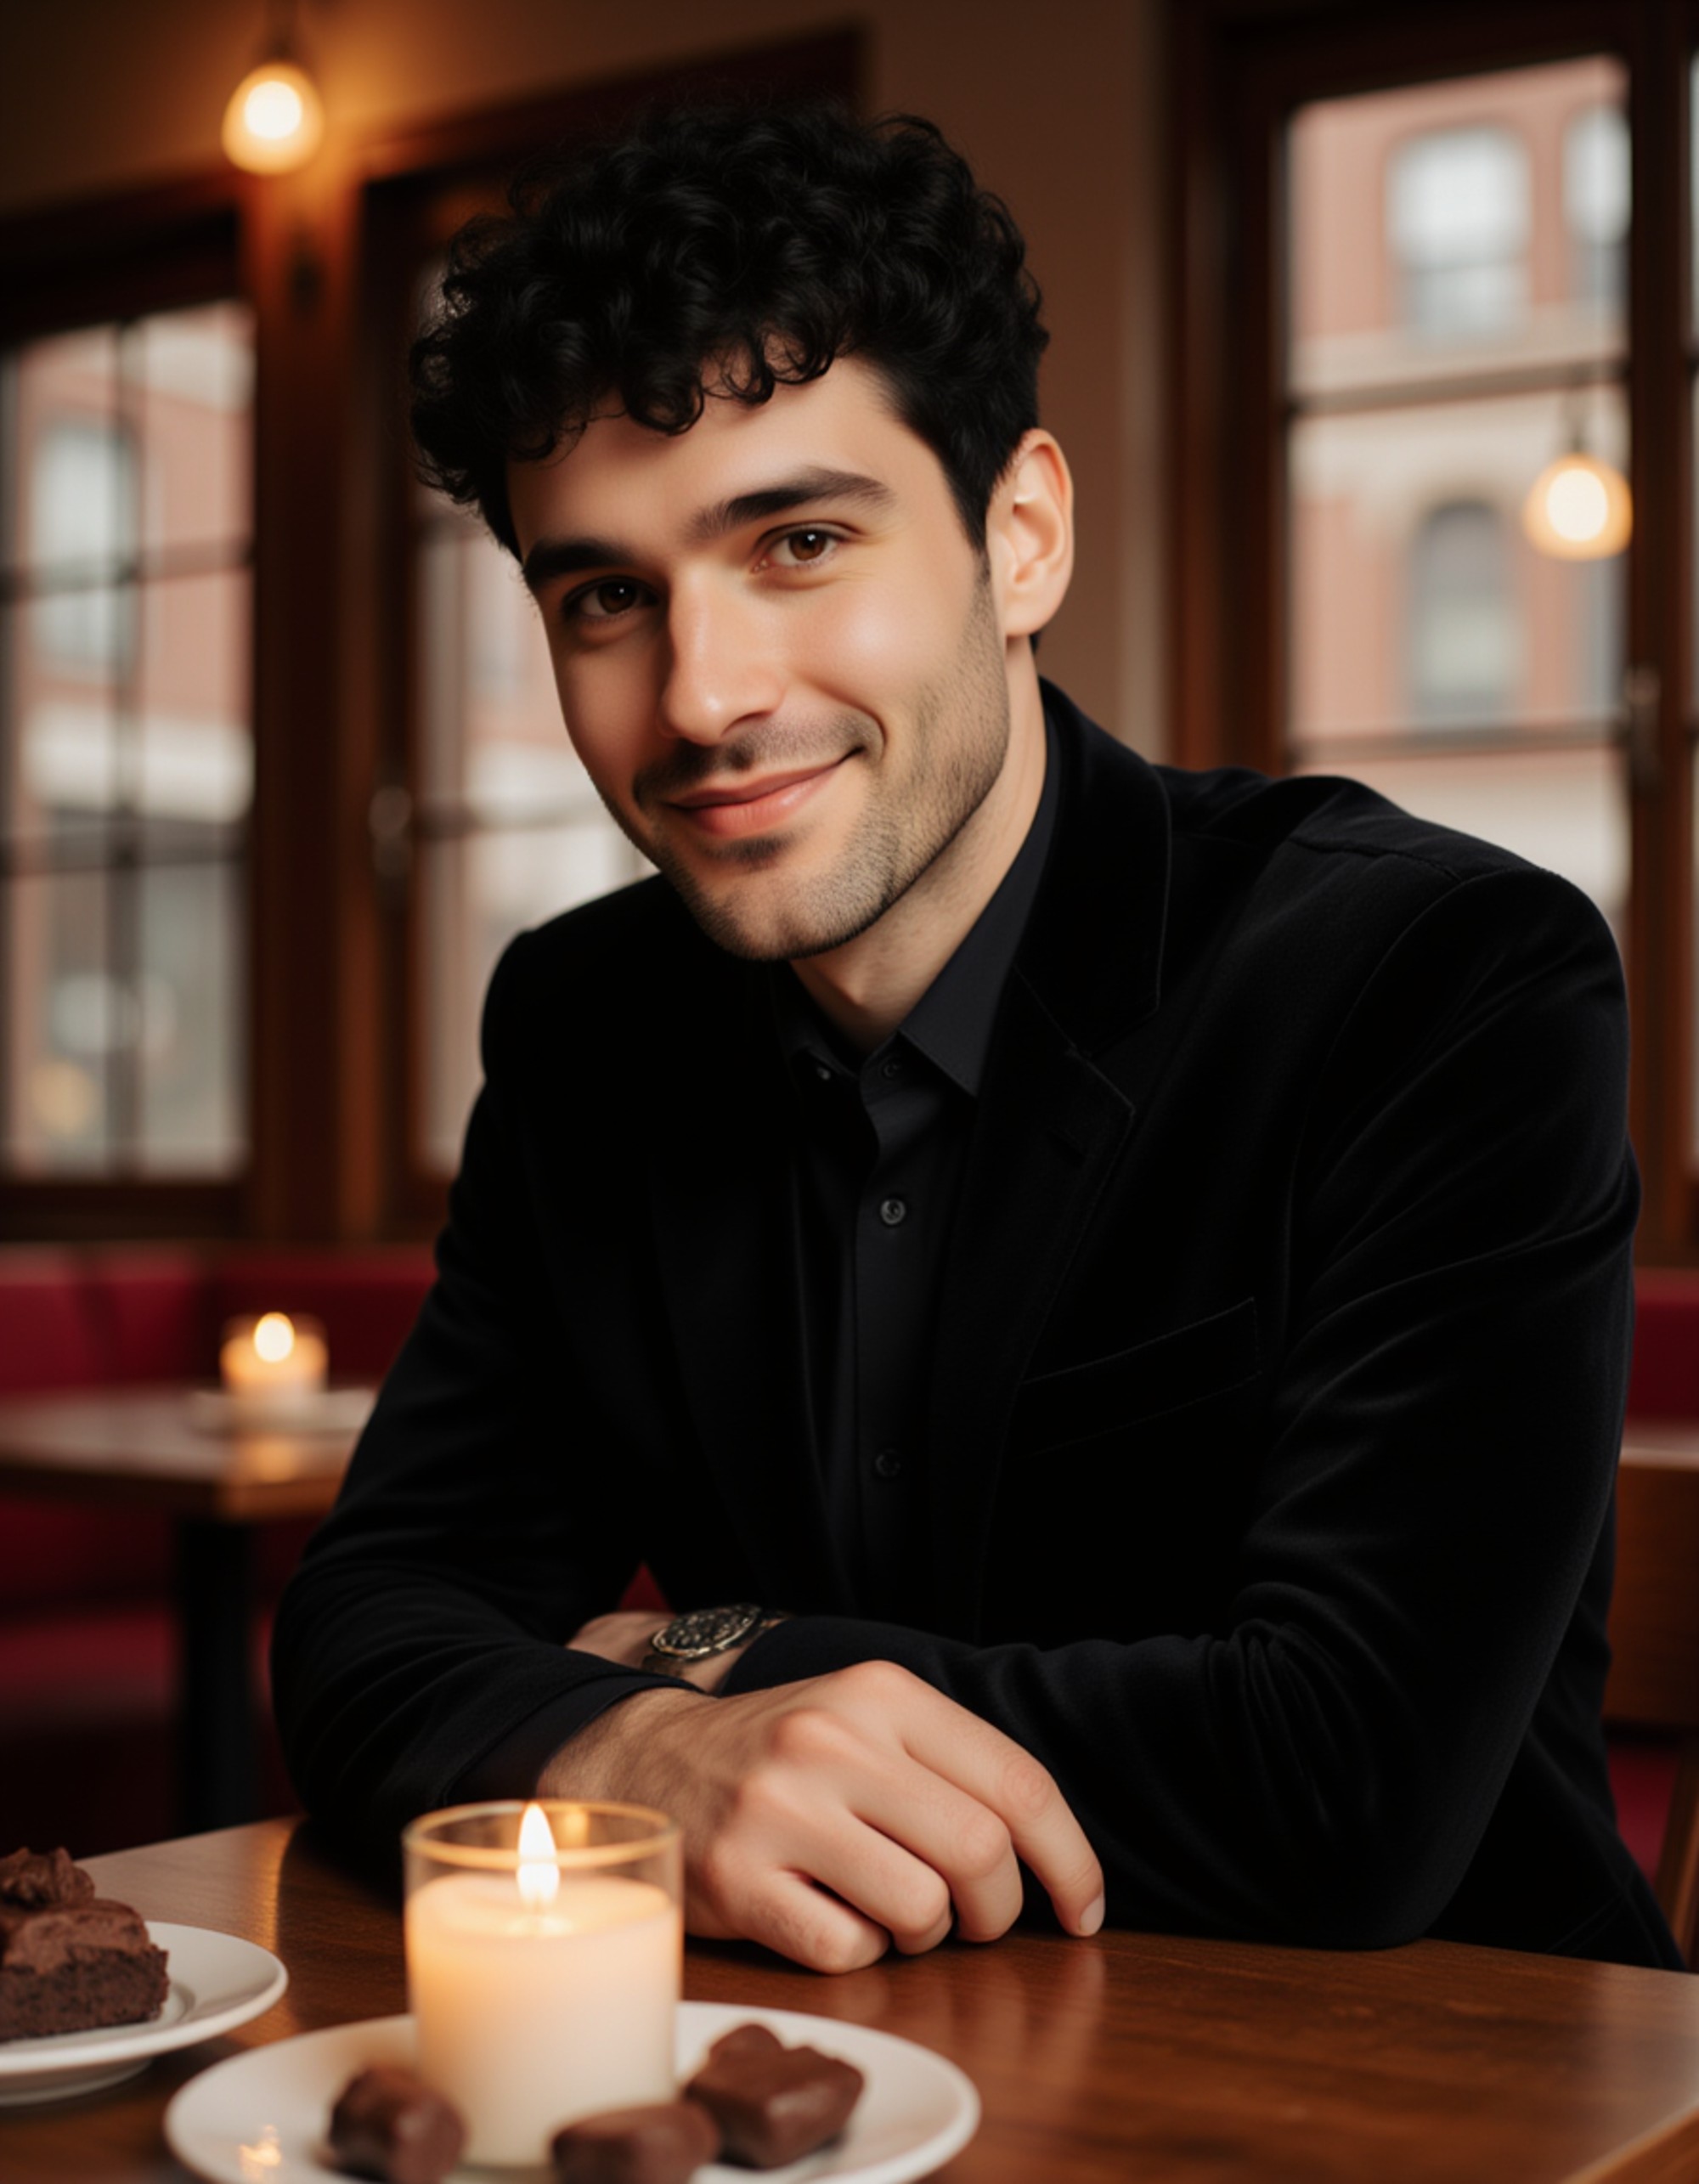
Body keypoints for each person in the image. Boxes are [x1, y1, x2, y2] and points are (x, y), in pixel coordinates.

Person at [271, 99, 1680, 1975]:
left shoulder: (1439, 977)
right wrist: (639, 1756)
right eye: (605, 594)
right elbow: (366, 1625)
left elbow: (1345, 1782)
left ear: (1017, 539)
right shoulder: (590, 1021)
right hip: (840, 2077)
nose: (702, 695)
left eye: (796, 541)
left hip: (1434, 2084)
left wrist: (703, 1659)